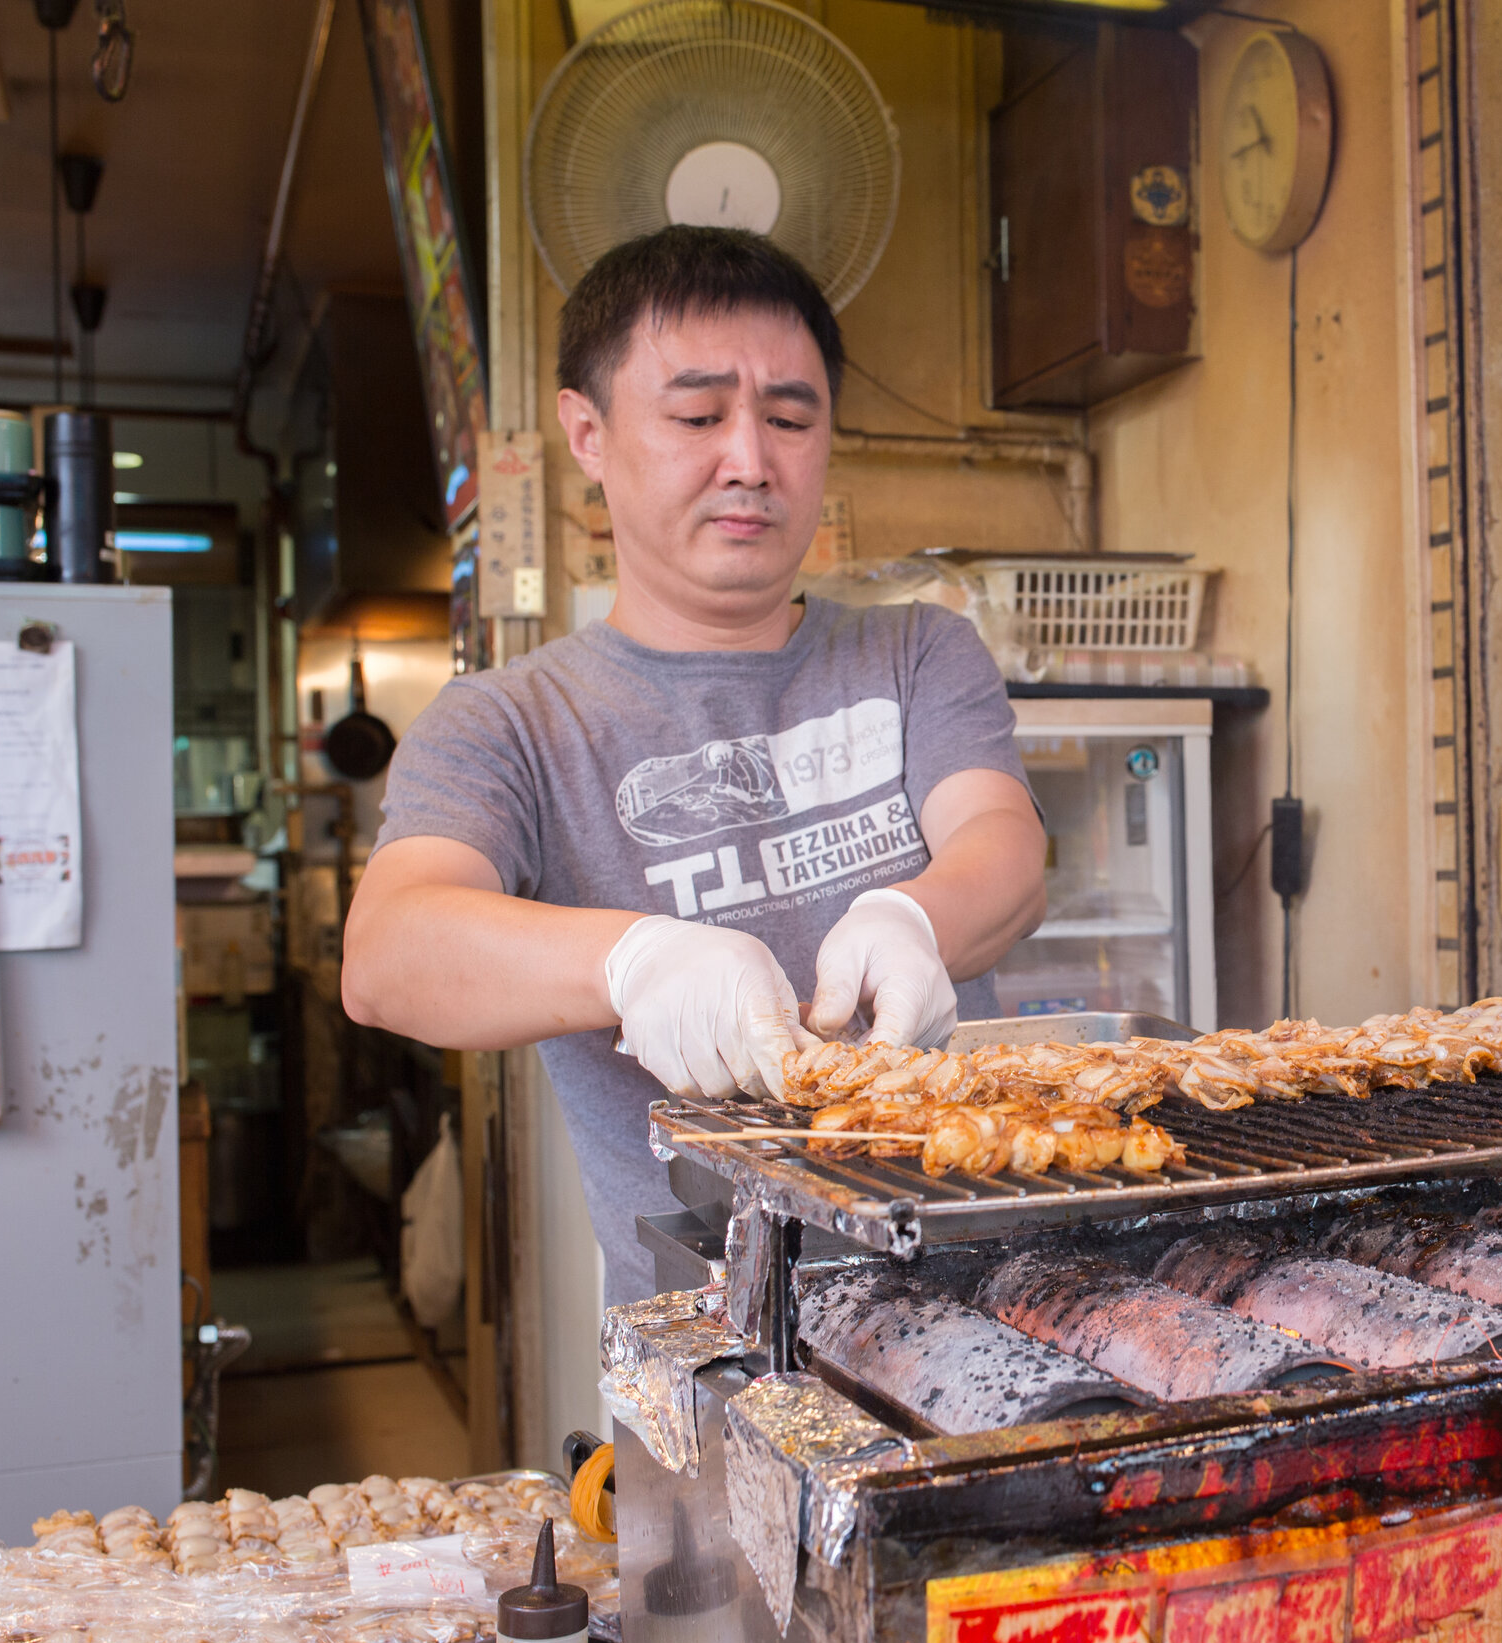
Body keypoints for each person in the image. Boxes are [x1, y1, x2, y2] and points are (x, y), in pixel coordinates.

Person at [342, 226, 1047, 1303]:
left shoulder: (915, 653)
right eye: (697, 415)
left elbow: (1002, 848)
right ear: (588, 431)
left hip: (982, 1281)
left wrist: (912, 918)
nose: (751, 461)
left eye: (791, 417)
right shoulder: (508, 722)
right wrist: (630, 960)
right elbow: (387, 952)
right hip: (710, 1332)